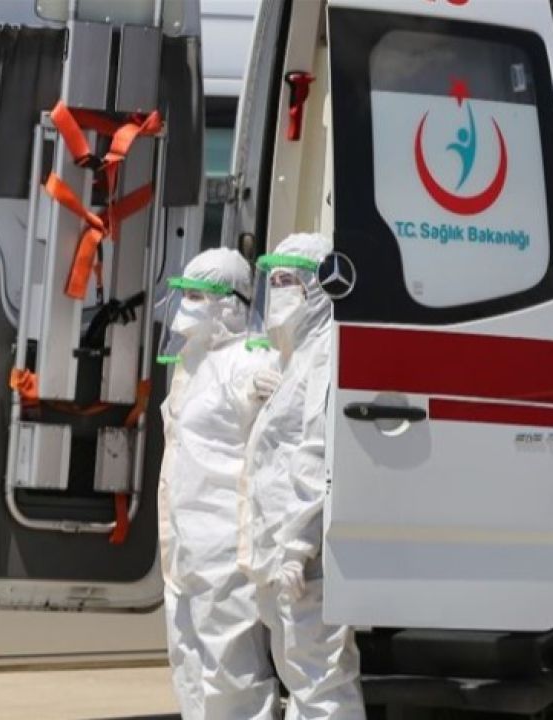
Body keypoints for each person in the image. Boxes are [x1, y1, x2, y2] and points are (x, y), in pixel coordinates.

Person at [238, 232, 365, 719]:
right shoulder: (296, 358)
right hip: (281, 553)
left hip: (305, 557)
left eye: (287, 281)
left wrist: (296, 546)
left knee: (321, 681)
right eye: (272, 281)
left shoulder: (328, 353)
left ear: (318, 287)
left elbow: (319, 451)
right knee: (301, 677)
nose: (277, 292)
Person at [158, 248, 281, 719]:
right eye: (185, 293)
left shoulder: (251, 360)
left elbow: (273, 436)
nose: (186, 305)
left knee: (231, 672)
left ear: (229, 303)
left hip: (224, 545)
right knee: (188, 662)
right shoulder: (191, 363)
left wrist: (266, 389)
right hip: (183, 541)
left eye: (198, 296)